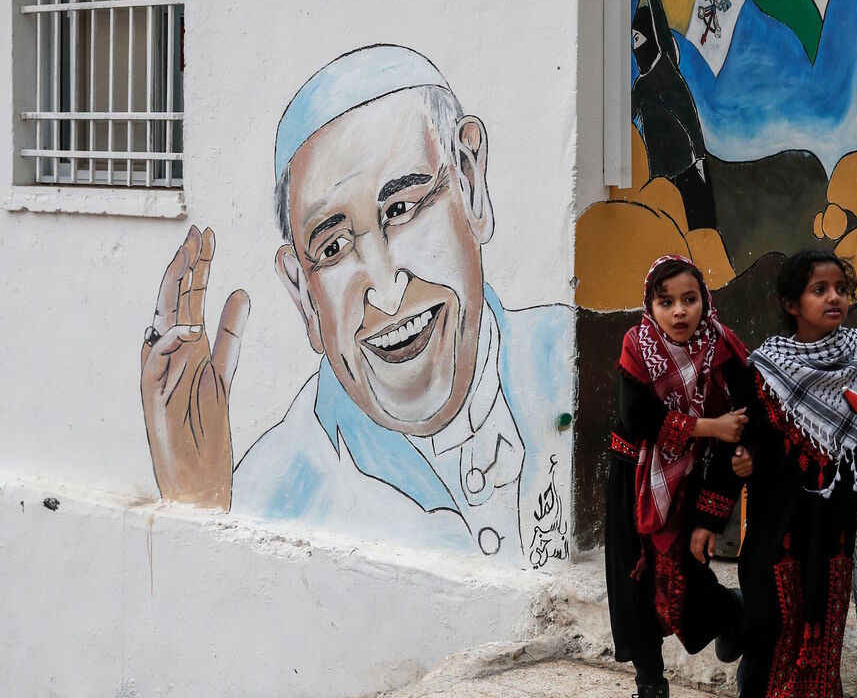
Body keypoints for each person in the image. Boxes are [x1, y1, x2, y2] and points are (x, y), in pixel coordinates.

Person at [138, 45, 571, 566]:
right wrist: (199, 506)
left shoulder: (584, 364)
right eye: (334, 247)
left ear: (470, 183)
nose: (385, 290)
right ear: (304, 295)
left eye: (402, 209)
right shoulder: (268, 490)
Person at [734, 250, 857, 698]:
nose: (834, 298)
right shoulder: (766, 367)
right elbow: (743, 433)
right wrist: (742, 456)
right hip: (776, 527)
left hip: (833, 531)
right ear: (791, 303)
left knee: (822, 632)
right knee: (771, 626)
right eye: (819, 290)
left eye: (841, 289)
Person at [605, 255, 752, 698]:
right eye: (665, 302)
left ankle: (732, 615)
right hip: (634, 481)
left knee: (686, 577)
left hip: (694, 480)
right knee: (634, 583)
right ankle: (650, 684)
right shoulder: (637, 346)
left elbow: (743, 427)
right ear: (650, 306)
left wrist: (710, 518)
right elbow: (638, 418)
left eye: (689, 299)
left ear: (704, 301)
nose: (679, 311)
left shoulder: (724, 350)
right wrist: (709, 427)